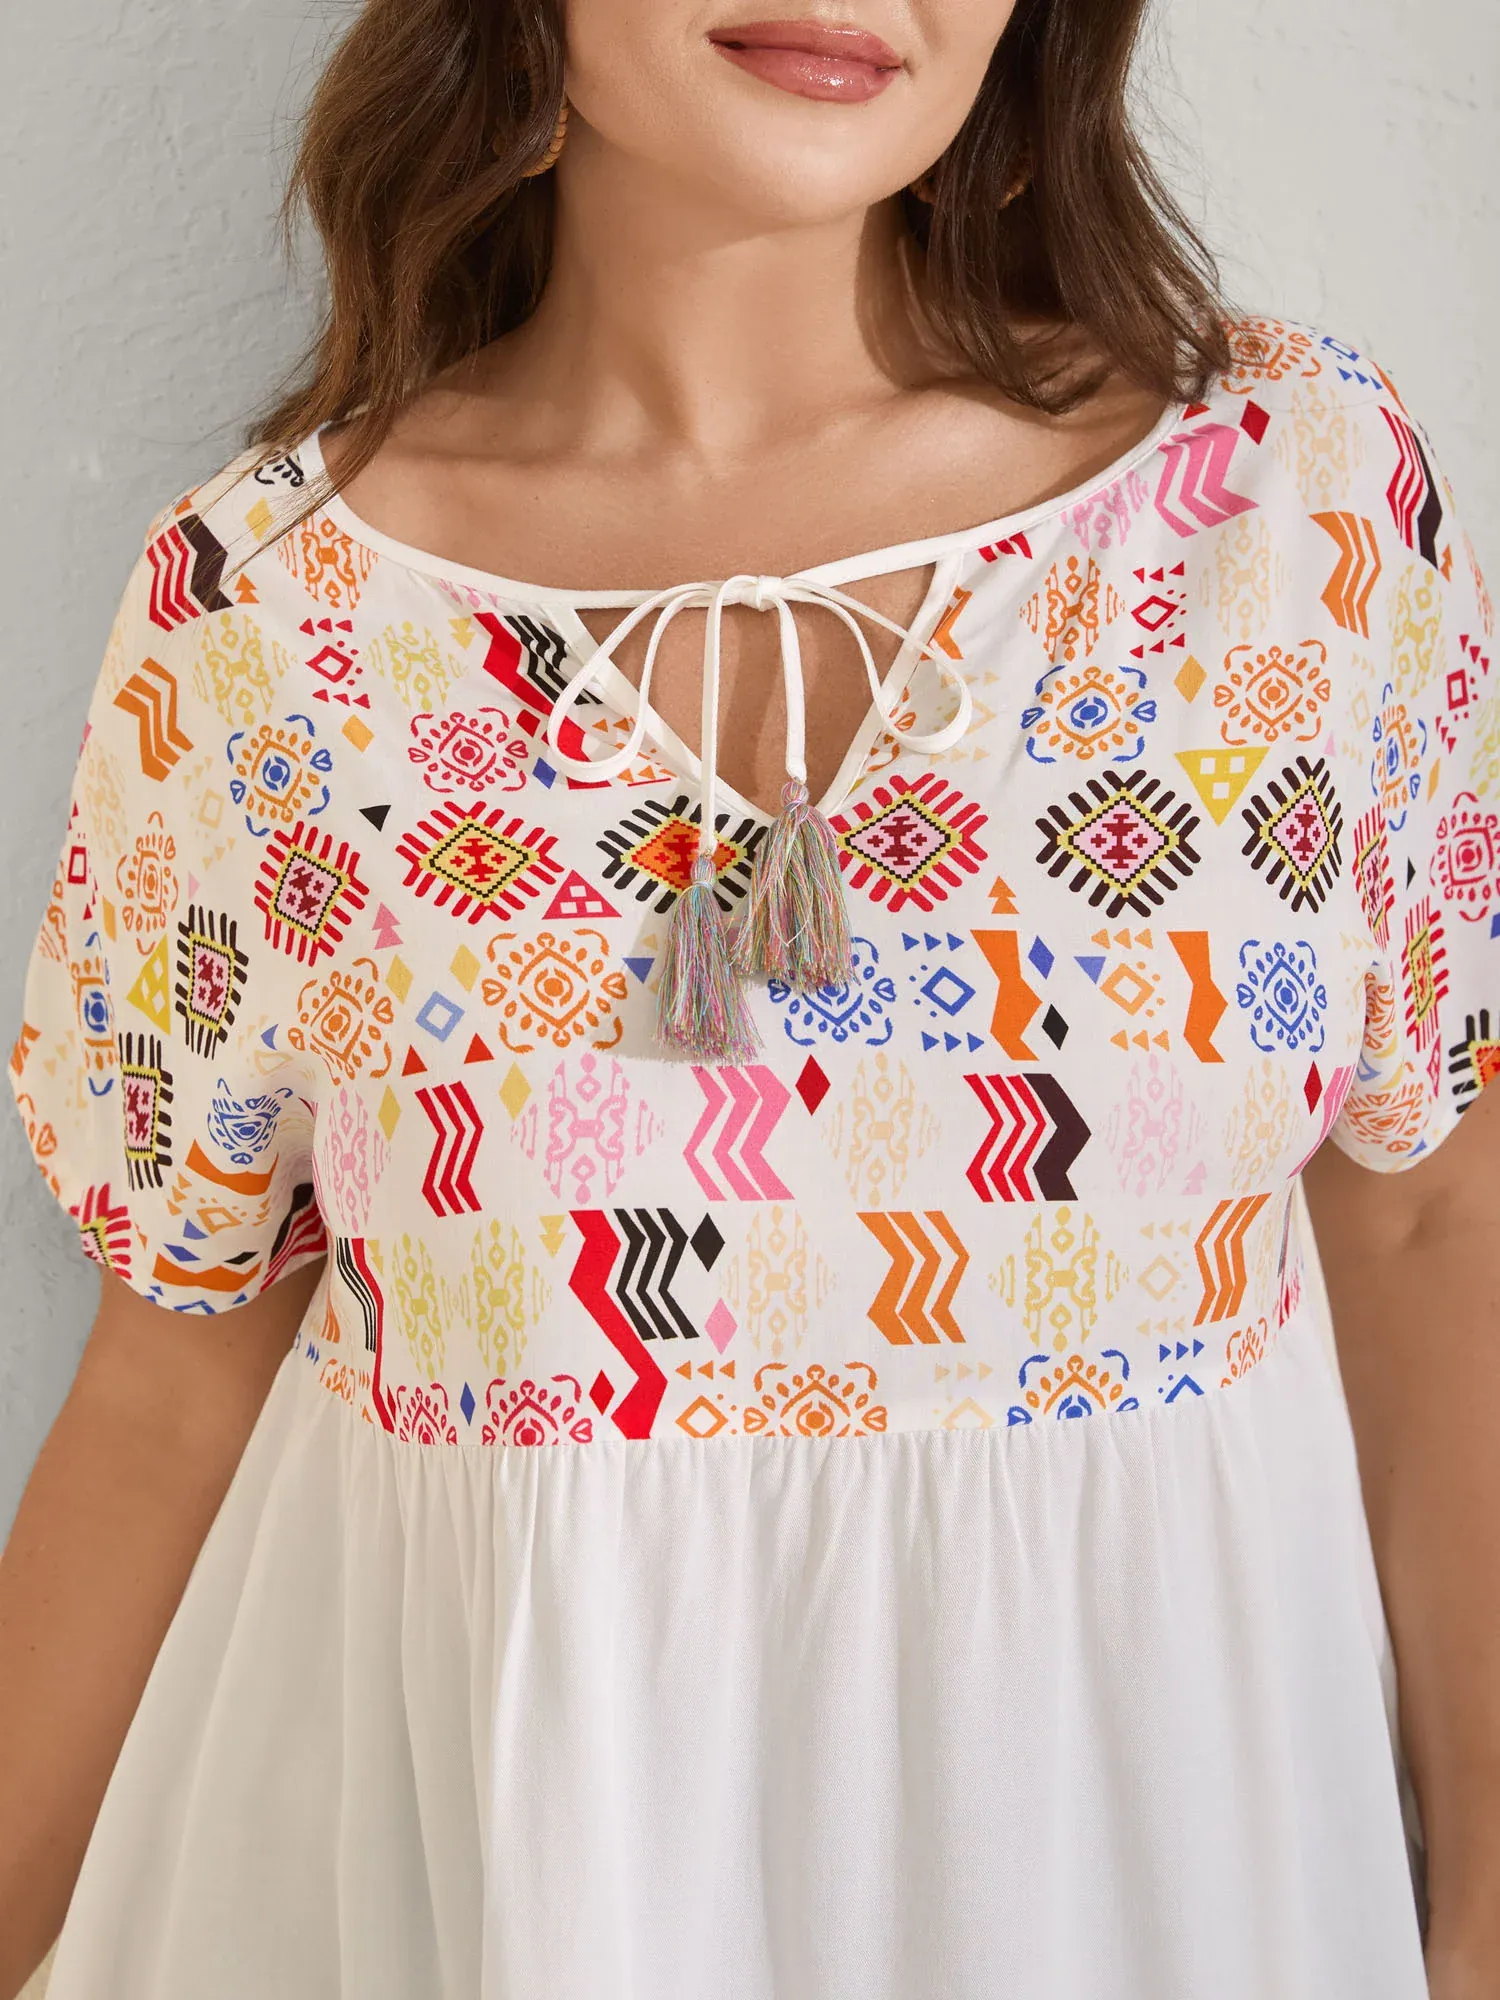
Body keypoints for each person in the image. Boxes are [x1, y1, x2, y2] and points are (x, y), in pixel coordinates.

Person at [2, 0, 1497, 1993]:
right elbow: (168, 1385)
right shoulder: (263, 620)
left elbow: (1428, 1209)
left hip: (1163, 1891)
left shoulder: (1295, 506)